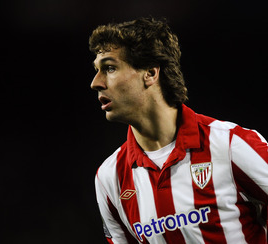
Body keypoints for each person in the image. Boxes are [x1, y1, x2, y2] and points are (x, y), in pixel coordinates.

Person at [89, 16, 268, 244]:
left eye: (110, 68)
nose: (96, 82)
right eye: (97, 70)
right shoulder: (110, 177)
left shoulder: (231, 145)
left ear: (151, 73)